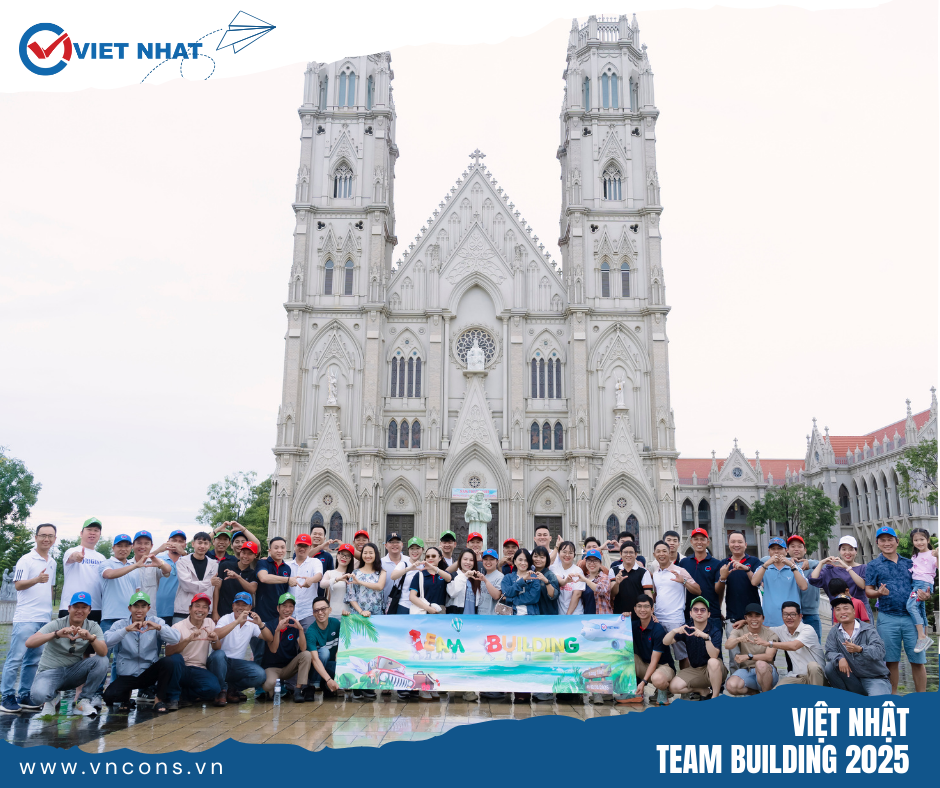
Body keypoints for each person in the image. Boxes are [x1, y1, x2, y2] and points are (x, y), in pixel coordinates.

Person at [1, 523, 57, 714]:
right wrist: (36, 580)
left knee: (33, 659)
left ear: (54, 539)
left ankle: (24, 695)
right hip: (26, 617)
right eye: (43, 535)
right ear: (36, 537)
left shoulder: (52, 562)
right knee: (15, 658)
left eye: (50, 536)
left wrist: (49, 613)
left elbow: (50, 588)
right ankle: (7, 696)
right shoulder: (26, 560)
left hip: (43, 618)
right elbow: (17, 585)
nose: (46, 539)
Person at [23, 591, 108, 717]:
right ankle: (51, 699)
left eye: (84, 607)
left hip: (74, 672)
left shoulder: (92, 626)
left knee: (102, 660)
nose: (79, 611)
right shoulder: (57, 624)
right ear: (69, 608)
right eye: (76, 607)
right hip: (49, 671)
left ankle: (83, 701)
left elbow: (103, 652)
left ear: (89, 610)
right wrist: (56, 634)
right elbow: (29, 642)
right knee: (37, 696)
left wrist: (91, 638)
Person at [865, 526, 928, 693]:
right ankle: (892, 697)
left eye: (890, 539)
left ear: (897, 541)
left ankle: (922, 698)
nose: (887, 543)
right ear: (877, 543)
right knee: (890, 661)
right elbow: (868, 590)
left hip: (912, 619)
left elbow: (923, 584)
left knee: (918, 660)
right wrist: (878, 593)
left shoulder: (911, 563)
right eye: (883, 540)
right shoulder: (873, 565)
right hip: (887, 618)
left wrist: (926, 595)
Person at [102, 590, 183, 713]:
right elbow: (106, 642)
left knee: (168, 662)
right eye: (136, 606)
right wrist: (125, 630)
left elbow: (176, 638)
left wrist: (158, 628)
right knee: (109, 697)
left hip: (148, 672)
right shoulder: (120, 624)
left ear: (148, 608)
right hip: (127, 674)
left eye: (143, 606)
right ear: (129, 608)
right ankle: (126, 699)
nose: (139, 610)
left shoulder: (155, 621)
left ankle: (158, 700)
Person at [824, 595, 892, 696]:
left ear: (854, 611)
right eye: (838, 609)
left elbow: (880, 651)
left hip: (873, 677)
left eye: (846, 608)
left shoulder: (868, 629)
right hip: (851, 678)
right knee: (830, 667)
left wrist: (860, 649)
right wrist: (839, 658)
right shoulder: (834, 631)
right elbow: (829, 652)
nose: (842, 612)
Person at [167, 593, 226, 707]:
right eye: (197, 606)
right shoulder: (177, 627)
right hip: (181, 668)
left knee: (214, 689)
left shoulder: (210, 623)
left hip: (199, 668)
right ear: (190, 609)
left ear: (208, 611)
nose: (200, 610)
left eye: (204, 607)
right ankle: (173, 697)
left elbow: (217, 647)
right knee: (176, 658)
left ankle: (184, 695)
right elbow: (167, 652)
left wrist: (215, 639)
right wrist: (188, 640)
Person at [214, 591, 272, 703]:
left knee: (260, 675)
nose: (240, 607)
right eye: (237, 604)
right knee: (219, 655)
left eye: (244, 605)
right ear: (233, 606)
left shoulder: (251, 623)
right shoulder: (226, 618)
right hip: (221, 662)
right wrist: (237, 622)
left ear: (250, 607)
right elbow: (216, 635)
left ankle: (231, 689)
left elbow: (269, 638)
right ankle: (221, 691)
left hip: (237, 664)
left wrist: (260, 624)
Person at [663, 597, 727, 700]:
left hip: (715, 670)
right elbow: (665, 642)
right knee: (673, 687)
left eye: (703, 610)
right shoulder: (687, 628)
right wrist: (674, 631)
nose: (699, 613)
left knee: (713, 662)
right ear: (691, 613)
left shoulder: (714, 630)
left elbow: (714, 655)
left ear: (708, 614)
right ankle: (703, 691)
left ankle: (715, 697)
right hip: (696, 669)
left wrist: (706, 637)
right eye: (696, 610)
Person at [715, 531, 761, 665]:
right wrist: (723, 577)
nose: (736, 544)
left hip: (753, 618)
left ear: (745, 544)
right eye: (733, 542)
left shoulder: (754, 562)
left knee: (755, 654)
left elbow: (758, 583)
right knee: (734, 657)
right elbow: (718, 590)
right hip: (733, 618)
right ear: (728, 544)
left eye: (740, 542)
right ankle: (736, 678)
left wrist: (746, 569)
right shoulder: (724, 564)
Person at [650, 540, 700, 663]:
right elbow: (656, 594)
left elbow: (698, 590)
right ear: (654, 554)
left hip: (675, 620)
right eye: (658, 551)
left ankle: (686, 676)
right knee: (659, 653)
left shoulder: (680, 571)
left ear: (670, 553)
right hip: (658, 620)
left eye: (664, 551)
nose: (661, 554)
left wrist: (683, 581)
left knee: (682, 655)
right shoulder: (655, 574)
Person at [759, 601, 825, 686]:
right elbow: (764, 629)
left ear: (800, 616)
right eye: (785, 614)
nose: (789, 617)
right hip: (798, 677)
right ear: (782, 616)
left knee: (813, 666)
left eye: (793, 614)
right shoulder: (781, 630)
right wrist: (746, 622)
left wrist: (769, 644)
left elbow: (794, 646)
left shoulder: (808, 629)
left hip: (817, 677)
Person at [626, 593, 676, 705]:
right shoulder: (633, 625)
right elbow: (617, 630)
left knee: (658, 679)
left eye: (646, 606)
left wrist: (643, 682)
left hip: (663, 666)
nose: (642, 610)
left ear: (652, 609)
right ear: (635, 609)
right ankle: (632, 691)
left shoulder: (658, 630)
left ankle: (663, 690)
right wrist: (624, 617)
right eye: (639, 606)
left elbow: (654, 661)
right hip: (645, 664)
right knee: (624, 658)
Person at [261, 593, 311, 702]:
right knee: (269, 685)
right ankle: (270, 691)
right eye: (284, 606)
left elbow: (303, 648)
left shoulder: (294, 625)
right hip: (272, 667)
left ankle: (298, 690)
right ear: (278, 608)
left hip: (288, 667)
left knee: (306, 654)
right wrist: (278, 630)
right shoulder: (270, 625)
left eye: (291, 606)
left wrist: (301, 630)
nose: (287, 609)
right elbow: (273, 649)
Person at [772, 535, 822, 640]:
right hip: (791, 614)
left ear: (805, 550)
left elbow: (828, 564)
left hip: (810, 613)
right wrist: (788, 561)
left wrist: (809, 562)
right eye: (792, 546)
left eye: (799, 546)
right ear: (787, 550)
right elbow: (764, 560)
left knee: (814, 644)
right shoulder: (783, 566)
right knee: (791, 646)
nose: (796, 549)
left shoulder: (814, 566)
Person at [724, 602, 780, 695]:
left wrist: (748, 656)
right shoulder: (739, 630)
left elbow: (769, 656)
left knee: (760, 664)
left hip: (767, 672)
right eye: (750, 616)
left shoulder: (771, 634)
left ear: (763, 618)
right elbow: (727, 645)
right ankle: (755, 694)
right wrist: (739, 639)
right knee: (731, 686)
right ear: (745, 618)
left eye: (757, 615)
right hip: (748, 670)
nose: (754, 619)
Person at [809, 535, 870, 619]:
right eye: (844, 549)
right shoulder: (831, 570)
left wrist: (847, 567)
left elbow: (863, 585)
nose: (847, 552)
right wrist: (821, 563)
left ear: (856, 551)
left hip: (860, 611)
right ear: (839, 551)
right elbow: (813, 579)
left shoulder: (863, 568)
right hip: (840, 612)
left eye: (851, 549)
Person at [751, 537, 808, 628]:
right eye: (773, 549)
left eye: (780, 548)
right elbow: (754, 582)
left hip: (792, 619)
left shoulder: (795, 568)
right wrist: (766, 564)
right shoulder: (763, 568)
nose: (776, 552)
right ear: (769, 551)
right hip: (769, 619)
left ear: (786, 551)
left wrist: (791, 566)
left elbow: (804, 586)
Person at [59, 517, 105, 621]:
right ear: (81, 533)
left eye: (96, 530)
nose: (92, 533)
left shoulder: (102, 558)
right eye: (89, 530)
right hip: (71, 607)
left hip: (95, 608)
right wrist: (76, 556)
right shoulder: (71, 551)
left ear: (99, 535)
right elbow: (72, 557)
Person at [173, 532, 219, 625]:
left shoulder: (214, 564)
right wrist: (209, 583)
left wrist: (214, 611)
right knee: (180, 634)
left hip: (205, 610)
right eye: (200, 543)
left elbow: (214, 589)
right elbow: (187, 585)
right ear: (193, 544)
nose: (202, 546)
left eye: (205, 543)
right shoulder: (182, 562)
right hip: (184, 609)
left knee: (204, 634)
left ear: (209, 545)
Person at [678, 528, 721, 623]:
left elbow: (719, 590)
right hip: (690, 614)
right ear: (691, 542)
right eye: (696, 539)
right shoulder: (684, 563)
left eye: (702, 539)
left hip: (712, 613)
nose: (699, 542)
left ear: (708, 542)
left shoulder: (716, 563)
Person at [907, 528, 937, 653]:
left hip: (924, 583)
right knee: (920, 609)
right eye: (916, 540)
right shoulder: (915, 556)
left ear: (928, 540)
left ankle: (921, 636)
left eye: (922, 539)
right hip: (916, 583)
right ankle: (925, 637)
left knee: (911, 606)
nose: (919, 542)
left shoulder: (932, 554)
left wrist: (938, 556)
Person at [213, 540, 259, 620]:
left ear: (255, 555)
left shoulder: (253, 573)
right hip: (222, 612)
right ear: (240, 552)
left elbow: (252, 589)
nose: (245, 556)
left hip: (242, 614)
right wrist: (214, 612)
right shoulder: (225, 565)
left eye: (250, 554)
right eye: (243, 553)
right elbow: (217, 588)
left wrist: (238, 577)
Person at [305, 598, 341, 697]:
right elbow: (315, 660)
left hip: (329, 665)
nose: (320, 612)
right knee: (324, 652)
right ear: (313, 613)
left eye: (323, 609)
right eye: (316, 610)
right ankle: (314, 684)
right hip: (314, 668)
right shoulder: (311, 632)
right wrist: (328, 679)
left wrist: (348, 617)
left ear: (330, 610)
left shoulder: (336, 623)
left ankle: (325, 685)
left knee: (338, 667)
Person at [255, 536, 293, 627]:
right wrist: (287, 579)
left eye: (282, 547)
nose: (279, 550)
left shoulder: (287, 568)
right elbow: (263, 578)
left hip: (280, 613)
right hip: (263, 612)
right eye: (276, 548)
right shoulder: (262, 563)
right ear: (270, 550)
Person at [288, 534, 324, 627]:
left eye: (305, 546)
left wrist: (311, 580)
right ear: (294, 546)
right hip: (289, 612)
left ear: (310, 547)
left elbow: (319, 575)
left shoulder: (315, 562)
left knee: (309, 636)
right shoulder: (287, 565)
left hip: (308, 612)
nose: (302, 549)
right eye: (300, 545)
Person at [609, 542, 654, 615]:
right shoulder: (613, 570)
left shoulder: (644, 572)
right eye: (625, 552)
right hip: (619, 614)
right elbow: (612, 594)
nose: (628, 555)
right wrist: (617, 583)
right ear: (620, 554)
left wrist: (651, 612)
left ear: (636, 555)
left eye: (631, 552)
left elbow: (648, 594)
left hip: (640, 615)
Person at [130, 530, 172, 605]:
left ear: (151, 546)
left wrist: (161, 565)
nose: (142, 546)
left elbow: (168, 569)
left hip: (150, 609)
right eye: (139, 543)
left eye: (146, 543)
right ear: (133, 545)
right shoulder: (127, 565)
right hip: (129, 609)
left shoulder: (155, 562)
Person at [345, 542, 387, 617]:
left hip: (377, 614)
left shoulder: (381, 572)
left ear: (376, 554)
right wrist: (361, 612)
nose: (368, 556)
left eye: (371, 553)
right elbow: (351, 596)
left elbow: (380, 586)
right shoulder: (355, 573)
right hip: (358, 615)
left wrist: (359, 582)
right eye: (365, 553)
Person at [408, 546, 452, 614]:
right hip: (423, 610)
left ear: (440, 558)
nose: (430, 558)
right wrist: (428, 608)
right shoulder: (419, 575)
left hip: (440, 610)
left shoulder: (443, 573)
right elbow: (412, 597)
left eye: (433, 556)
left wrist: (433, 568)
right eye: (428, 556)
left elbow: (449, 578)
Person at [156, 530, 187, 623]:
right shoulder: (158, 559)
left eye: (181, 541)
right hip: (159, 609)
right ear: (167, 542)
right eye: (174, 540)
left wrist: (183, 553)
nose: (177, 544)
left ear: (185, 545)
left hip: (181, 611)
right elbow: (142, 561)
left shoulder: (187, 561)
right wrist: (158, 550)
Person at [389, 536, 424, 615]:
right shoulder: (403, 564)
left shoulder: (424, 566)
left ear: (422, 550)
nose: (414, 551)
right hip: (404, 605)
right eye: (412, 548)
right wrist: (409, 568)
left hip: (420, 607)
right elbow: (393, 576)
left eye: (417, 548)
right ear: (408, 550)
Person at [500, 548, 541, 615]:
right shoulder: (507, 577)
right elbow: (507, 593)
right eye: (520, 560)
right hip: (512, 616)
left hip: (531, 615)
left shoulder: (534, 577)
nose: (523, 563)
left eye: (526, 560)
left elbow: (533, 598)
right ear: (515, 561)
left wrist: (510, 600)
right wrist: (522, 580)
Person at [320, 543, 355, 616]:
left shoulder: (353, 575)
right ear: (337, 555)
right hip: (332, 613)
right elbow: (322, 585)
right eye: (342, 554)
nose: (344, 557)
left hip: (349, 614)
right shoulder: (329, 573)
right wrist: (337, 579)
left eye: (348, 555)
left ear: (350, 559)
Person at [552, 541, 585, 615]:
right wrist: (566, 581)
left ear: (574, 555)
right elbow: (559, 581)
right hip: (559, 614)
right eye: (564, 552)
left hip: (575, 614)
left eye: (570, 553)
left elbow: (577, 594)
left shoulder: (578, 571)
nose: (567, 555)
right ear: (559, 553)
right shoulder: (554, 568)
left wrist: (568, 615)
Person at [446, 548, 480, 614]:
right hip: (457, 616)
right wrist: (465, 576)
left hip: (473, 617)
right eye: (465, 559)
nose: (468, 562)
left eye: (471, 560)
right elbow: (452, 593)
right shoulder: (453, 575)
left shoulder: (476, 578)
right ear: (460, 560)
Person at [381, 532, 408, 607]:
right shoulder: (380, 563)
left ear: (402, 544)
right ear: (386, 545)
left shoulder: (409, 561)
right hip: (386, 605)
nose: (395, 544)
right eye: (391, 542)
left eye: (397, 542)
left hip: (405, 605)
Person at [581, 549, 612, 614]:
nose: (592, 563)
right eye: (589, 560)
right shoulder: (585, 578)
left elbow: (601, 590)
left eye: (595, 560)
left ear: (600, 563)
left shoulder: (604, 577)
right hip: (586, 617)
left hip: (601, 617)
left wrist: (586, 580)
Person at [530, 546, 559, 615]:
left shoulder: (550, 575)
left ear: (547, 559)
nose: (538, 559)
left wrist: (546, 581)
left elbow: (553, 595)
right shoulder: (529, 574)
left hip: (547, 614)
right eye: (535, 556)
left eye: (542, 557)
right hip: (532, 614)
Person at [477, 549, 506, 615]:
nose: (488, 562)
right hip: (480, 615)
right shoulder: (483, 576)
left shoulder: (500, 576)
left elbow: (496, 596)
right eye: (485, 559)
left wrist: (485, 581)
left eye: (491, 559)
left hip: (493, 616)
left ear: (497, 561)